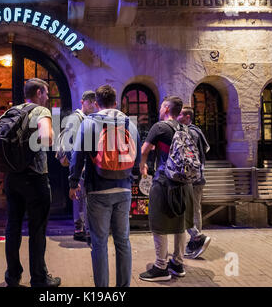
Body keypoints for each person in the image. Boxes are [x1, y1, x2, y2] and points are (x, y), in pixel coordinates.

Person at [69, 84, 141, 287]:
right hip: (124, 189)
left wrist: (73, 183)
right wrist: (130, 177)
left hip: (98, 190)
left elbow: (78, 156)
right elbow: (137, 159)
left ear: (96, 103)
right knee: (123, 241)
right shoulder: (130, 124)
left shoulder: (89, 123)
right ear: (116, 102)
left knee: (99, 243)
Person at [4, 78, 60, 287]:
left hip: (12, 178)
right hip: (35, 177)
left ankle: (12, 275)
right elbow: (47, 139)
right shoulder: (40, 111)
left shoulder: (10, 111)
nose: (46, 97)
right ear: (38, 92)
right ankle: (39, 278)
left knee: (12, 227)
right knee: (37, 229)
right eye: (45, 93)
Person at [138, 96, 194, 282]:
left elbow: (144, 150)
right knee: (180, 224)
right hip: (184, 184)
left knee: (158, 223)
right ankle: (177, 263)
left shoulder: (159, 127)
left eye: (162, 105)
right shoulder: (185, 128)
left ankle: (161, 266)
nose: (160, 108)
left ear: (168, 108)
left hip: (164, 182)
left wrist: (143, 165)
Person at [56, 90, 98, 242]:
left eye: (94, 102)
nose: (93, 106)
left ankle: (81, 228)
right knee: (81, 197)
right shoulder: (76, 118)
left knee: (81, 197)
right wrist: (77, 164)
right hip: (80, 165)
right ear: (83, 102)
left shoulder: (83, 118)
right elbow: (70, 143)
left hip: (81, 164)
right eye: (90, 102)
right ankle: (81, 230)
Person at [177, 106, 211, 258]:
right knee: (195, 210)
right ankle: (194, 243)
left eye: (180, 115)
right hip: (199, 176)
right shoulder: (198, 131)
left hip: (192, 178)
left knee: (187, 210)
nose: (177, 117)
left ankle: (196, 239)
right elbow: (205, 149)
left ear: (187, 117)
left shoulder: (189, 132)